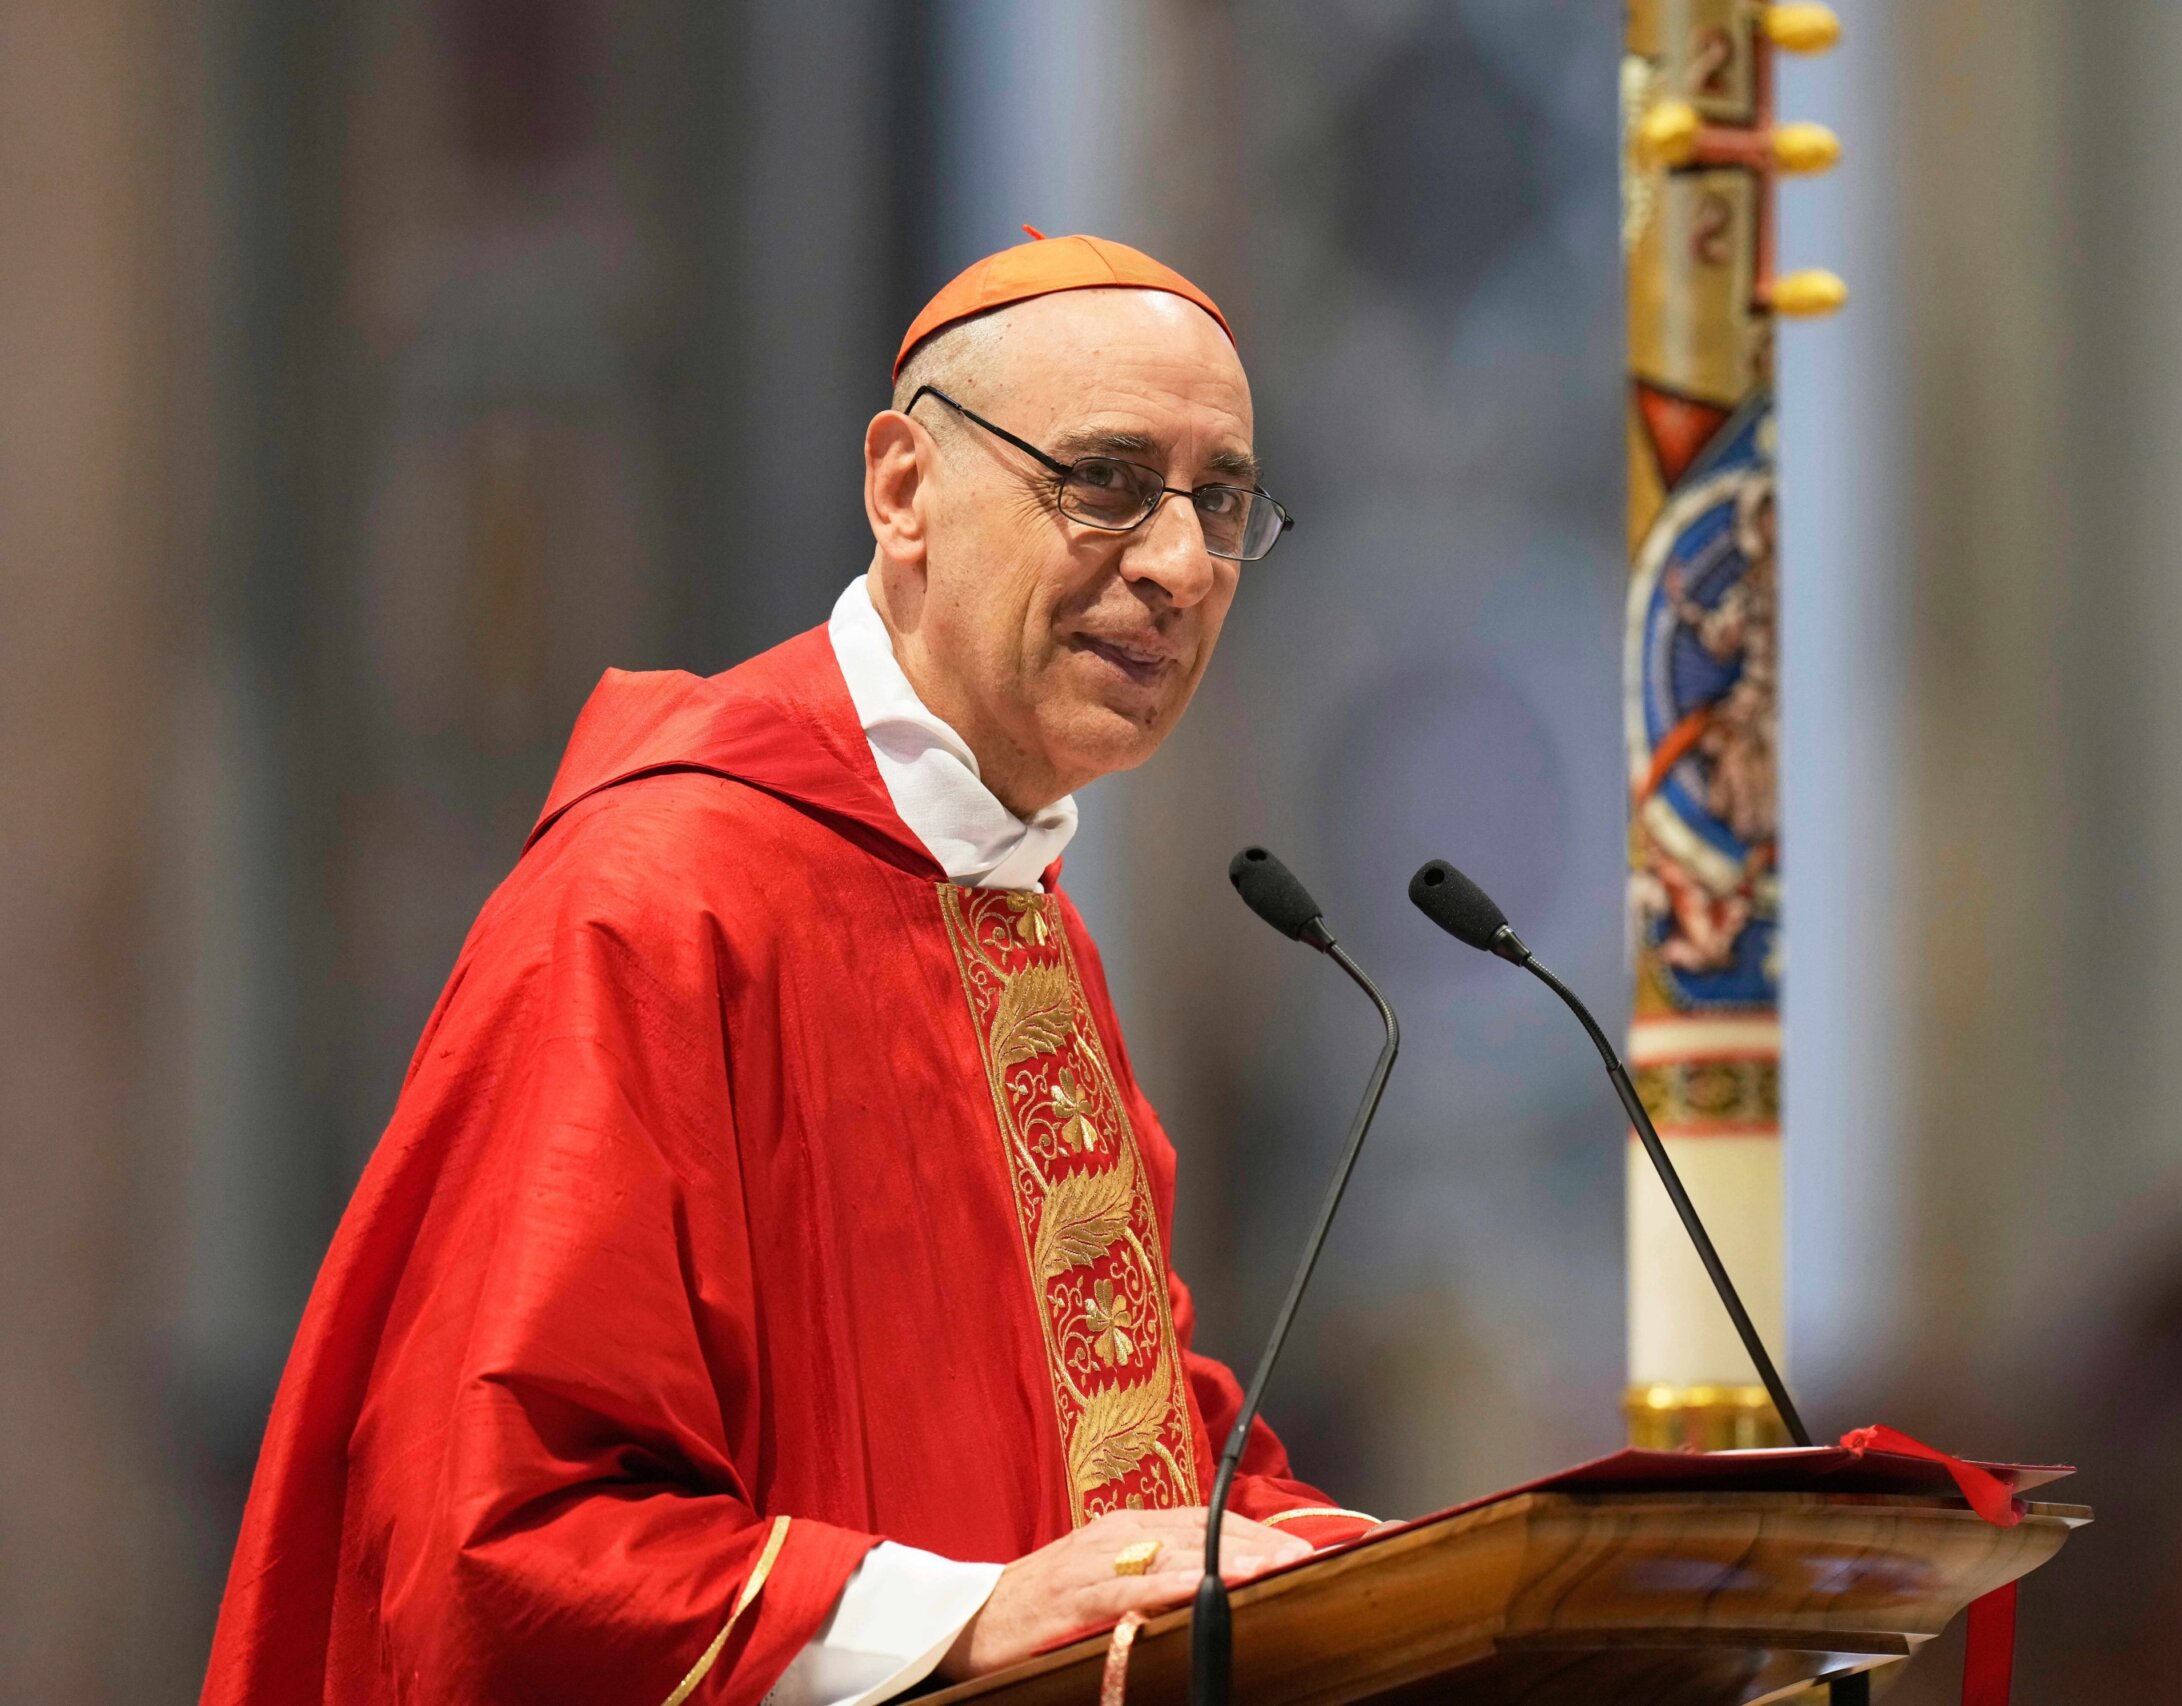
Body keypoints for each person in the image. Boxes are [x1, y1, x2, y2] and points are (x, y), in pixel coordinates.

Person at [201, 233, 1370, 1706]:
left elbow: (1130, 1467)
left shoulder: (1019, 918)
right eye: (1107, 481)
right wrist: (970, 1618)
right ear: (903, 489)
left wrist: (1397, 1570)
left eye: (1221, 500)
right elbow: (504, 1537)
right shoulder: (658, 900)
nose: (1180, 565)